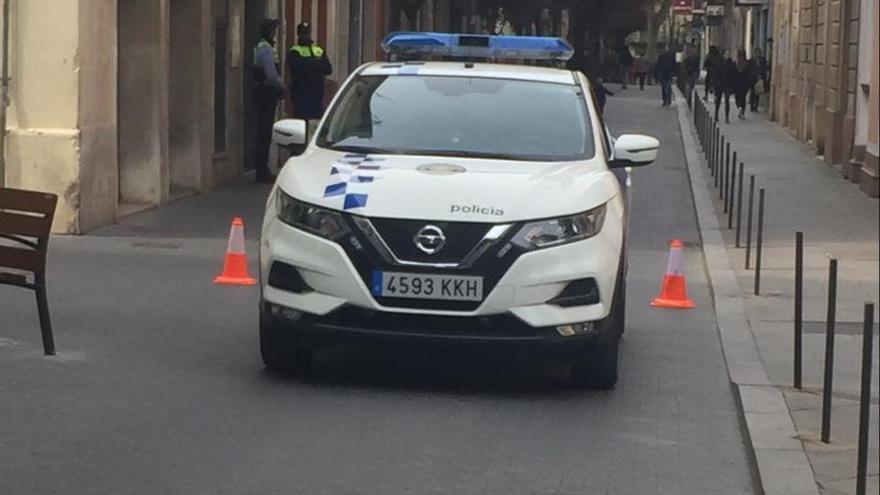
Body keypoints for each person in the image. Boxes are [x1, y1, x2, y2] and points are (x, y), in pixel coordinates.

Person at [252, 18, 285, 183]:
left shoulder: (264, 47)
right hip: (266, 93)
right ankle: (261, 170)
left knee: (263, 131)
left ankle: (262, 168)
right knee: (264, 133)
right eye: (273, 30)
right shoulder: (265, 49)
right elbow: (271, 75)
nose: (275, 33)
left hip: (263, 92)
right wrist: (283, 86)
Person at [287, 22, 332, 131]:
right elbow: (298, 69)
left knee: (315, 126)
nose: (306, 36)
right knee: (301, 127)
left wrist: (309, 64)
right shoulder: (294, 51)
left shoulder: (318, 50)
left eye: (307, 33)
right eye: (303, 33)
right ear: (299, 34)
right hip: (301, 96)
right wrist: (315, 63)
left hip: (317, 96)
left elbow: (328, 69)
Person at [731, 49, 754, 120]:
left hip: (737, 84)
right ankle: (742, 111)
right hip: (744, 84)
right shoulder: (746, 64)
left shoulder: (735, 64)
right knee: (743, 98)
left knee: (738, 97)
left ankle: (740, 108)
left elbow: (733, 75)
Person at [711, 50, 734, 123]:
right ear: (723, 54)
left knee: (727, 100)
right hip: (719, 84)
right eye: (726, 54)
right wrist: (714, 84)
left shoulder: (730, 63)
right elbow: (715, 73)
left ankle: (727, 117)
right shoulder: (719, 62)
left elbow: (733, 74)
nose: (727, 55)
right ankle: (716, 114)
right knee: (718, 100)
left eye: (728, 54)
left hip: (727, 84)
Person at [749, 47, 769, 112]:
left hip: (760, 79)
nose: (758, 54)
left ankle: (756, 106)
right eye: (757, 53)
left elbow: (765, 69)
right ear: (755, 53)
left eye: (759, 53)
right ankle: (752, 106)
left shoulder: (763, 60)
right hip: (752, 79)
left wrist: (763, 77)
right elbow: (750, 69)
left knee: (757, 93)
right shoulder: (752, 60)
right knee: (752, 93)